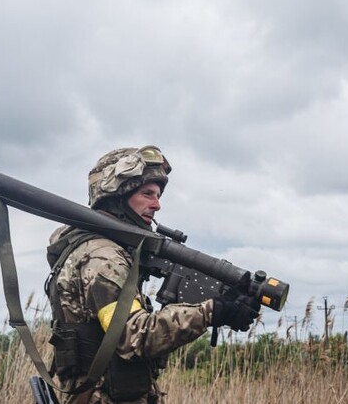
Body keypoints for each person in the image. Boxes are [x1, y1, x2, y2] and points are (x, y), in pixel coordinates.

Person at [46, 145, 259, 403]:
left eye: (158, 196)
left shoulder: (98, 250)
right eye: (147, 194)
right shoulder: (103, 257)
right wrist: (211, 312)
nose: (157, 205)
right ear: (116, 196)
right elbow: (133, 335)